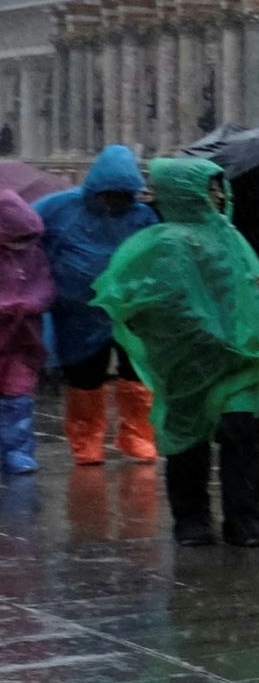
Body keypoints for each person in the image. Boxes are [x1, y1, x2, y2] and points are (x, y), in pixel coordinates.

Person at [92, 159, 259, 548]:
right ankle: (191, 518)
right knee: (187, 437)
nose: (218, 194)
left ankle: (245, 518)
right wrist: (201, 335)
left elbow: (248, 287)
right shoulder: (165, 241)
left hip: (237, 356)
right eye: (209, 187)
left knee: (240, 431)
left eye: (218, 187)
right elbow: (159, 300)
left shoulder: (229, 235)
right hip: (190, 356)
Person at [39, 146, 158, 463]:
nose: (113, 201)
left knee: (137, 374)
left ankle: (137, 435)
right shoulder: (60, 207)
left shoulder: (143, 215)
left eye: (121, 195)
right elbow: (25, 230)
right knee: (84, 378)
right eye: (108, 194)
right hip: (77, 314)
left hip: (130, 311)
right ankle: (86, 440)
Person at [0, 192, 45, 475]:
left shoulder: (33, 255)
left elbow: (45, 285)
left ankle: (17, 451)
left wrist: (31, 304)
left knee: (18, 394)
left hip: (22, 335)